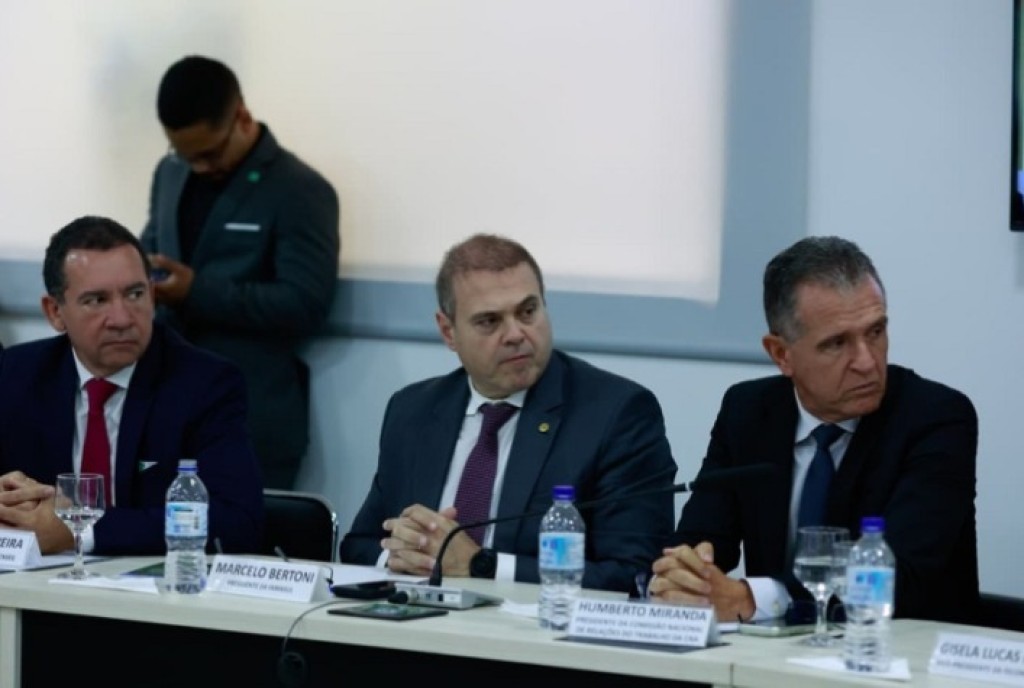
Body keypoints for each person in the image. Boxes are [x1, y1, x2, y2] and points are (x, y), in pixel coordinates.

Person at [650, 236, 979, 624]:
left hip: (897, 650)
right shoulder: (749, 411)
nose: (867, 362)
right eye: (837, 343)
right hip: (774, 654)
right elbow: (704, 537)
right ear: (781, 354)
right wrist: (683, 575)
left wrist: (753, 599)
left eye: (875, 332)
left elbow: (899, 579)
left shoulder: (935, 418)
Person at [340, 234, 677, 592]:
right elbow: (358, 546)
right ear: (448, 331)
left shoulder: (615, 414)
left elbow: (634, 573)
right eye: (490, 321)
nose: (516, 334)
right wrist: (403, 556)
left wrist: (480, 565)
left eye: (527, 312)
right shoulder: (413, 410)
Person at [0, 216, 263, 555]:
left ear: (152, 295)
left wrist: (80, 529)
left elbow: (237, 521)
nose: (122, 319)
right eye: (97, 300)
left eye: (135, 294)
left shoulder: (204, 384)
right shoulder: (16, 375)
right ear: (55, 312)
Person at [139, 55, 340, 490]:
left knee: (243, 533)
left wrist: (195, 291)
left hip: (252, 416)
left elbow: (305, 304)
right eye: (184, 154)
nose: (199, 167)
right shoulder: (170, 173)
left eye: (209, 154)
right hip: (167, 405)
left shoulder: (300, 190)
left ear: (242, 118)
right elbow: (151, 244)